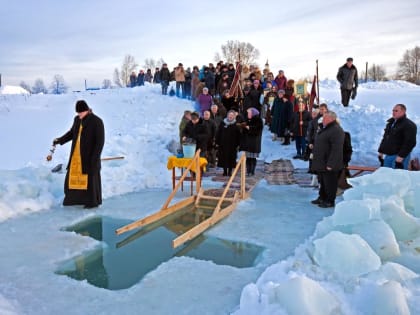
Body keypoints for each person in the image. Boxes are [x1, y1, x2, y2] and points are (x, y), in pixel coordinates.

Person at [53, 100, 105, 209]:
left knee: (90, 180)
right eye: (78, 112)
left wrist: (94, 158)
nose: (79, 114)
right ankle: (73, 200)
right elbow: (72, 133)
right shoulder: (77, 120)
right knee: (71, 178)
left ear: (87, 110)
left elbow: (100, 142)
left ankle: (91, 202)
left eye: (81, 112)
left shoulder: (97, 121)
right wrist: (60, 140)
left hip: (90, 157)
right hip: (77, 156)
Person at [311, 111, 344, 208]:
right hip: (321, 161)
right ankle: (322, 197)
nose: (323, 120)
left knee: (330, 183)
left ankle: (330, 200)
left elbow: (336, 149)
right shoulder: (324, 128)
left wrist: (331, 164)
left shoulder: (336, 130)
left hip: (329, 162)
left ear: (332, 119)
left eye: (325, 118)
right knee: (323, 181)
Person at [378, 104, 417, 169]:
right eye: (393, 110)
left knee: (398, 177)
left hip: (400, 157)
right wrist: (381, 151)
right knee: (385, 175)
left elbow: (410, 142)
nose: (393, 112)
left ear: (403, 112)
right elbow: (385, 138)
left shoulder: (409, 125)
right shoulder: (390, 123)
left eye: (396, 111)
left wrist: (401, 156)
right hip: (389, 155)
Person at [216, 110, 241, 176]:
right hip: (223, 144)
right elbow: (219, 133)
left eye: (232, 115)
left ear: (234, 116)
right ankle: (224, 171)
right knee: (223, 157)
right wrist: (217, 142)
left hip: (232, 145)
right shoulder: (223, 123)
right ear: (227, 116)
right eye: (229, 115)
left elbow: (239, 135)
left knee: (231, 158)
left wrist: (238, 144)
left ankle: (230, 171)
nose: (230, 116)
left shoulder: (236, 124)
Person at [239, 107, 263, 176]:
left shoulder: (258, 120)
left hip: (254, 142)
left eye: (249, 113)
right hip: (247, 142)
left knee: (252, 158)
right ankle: (248, 171)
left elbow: (258, 130)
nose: (248, 114)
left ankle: (252, 171)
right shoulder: (248, 120)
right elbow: (244, 130)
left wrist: (249, 128)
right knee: (248, 158)